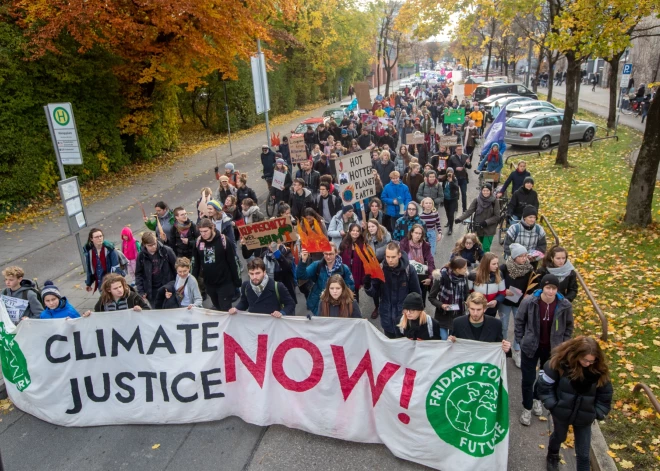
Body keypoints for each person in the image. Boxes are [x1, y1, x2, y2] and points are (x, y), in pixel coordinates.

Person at [537, 336, 613, 471]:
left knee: (583, 455)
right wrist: (554, 405)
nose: (588, 364)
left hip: (585, 417)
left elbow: (605, 396)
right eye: (585, 360)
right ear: (576, 355)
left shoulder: (599, 371)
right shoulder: (558, 364)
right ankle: (553, 454)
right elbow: (544, 387)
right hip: (561, 411)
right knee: (559, 436)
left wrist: (597, 413)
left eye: (591, 361)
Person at [515, 274, 574, 426]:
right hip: (531, 346)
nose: (551, 291)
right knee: (528, 379)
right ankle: (527, 407)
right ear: (542, 288)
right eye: (548, 288)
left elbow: (569, 326)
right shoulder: (530, 302)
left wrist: (563, 344)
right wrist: (520, 340)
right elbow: (520, 321)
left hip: (552, 349)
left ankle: (537, 399)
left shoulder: (564, 305)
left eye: (554, 288)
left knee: (545, 378)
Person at [364, 243, 422, 338]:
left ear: (399, 255)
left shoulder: (409, 270)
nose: (390, 260)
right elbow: (374, 293)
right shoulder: (380, 270)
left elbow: (416, 294)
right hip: (387, 318)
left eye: (393, 257)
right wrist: (367, 285)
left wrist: (414, 314)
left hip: (405, 319)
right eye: (388, 257)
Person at [192, 218, 242, 311]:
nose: (203, 234)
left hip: (225, 283)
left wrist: (237, 281)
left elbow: (233, 262)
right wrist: (192, 280)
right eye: (201, 231)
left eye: (205, 231)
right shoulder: (198, 242)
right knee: (217, 306)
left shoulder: (224, 241)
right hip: (209, 283)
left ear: (212, 228)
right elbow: (195, 263)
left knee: (225, 309)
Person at [500, 243, 536, 368]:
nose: (524, 258)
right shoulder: (504, 268)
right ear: (514, 257)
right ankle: (503, 347)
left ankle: (516, 350)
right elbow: (498, 282)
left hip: (520, 303)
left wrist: (528, 294)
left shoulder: (529, 269)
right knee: (504, 326)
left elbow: (533, 283)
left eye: (525, 256)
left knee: (519, 326)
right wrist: (503, 291)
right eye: (520, 256)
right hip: (505, 301)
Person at [296, 244, 355, 316]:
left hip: (337, 304)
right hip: (319, 303)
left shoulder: (344, 269)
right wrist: (303, 260)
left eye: (331, 254)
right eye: (326, 254)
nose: (328, 256)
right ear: (323, 253)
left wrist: (339, 295)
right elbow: (301, 275)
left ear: (336, 253)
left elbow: (350, 286)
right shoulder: (317, 265)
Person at [229, 258, 296, 317]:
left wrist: (282, 313)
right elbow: (244, 302)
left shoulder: (278, 286)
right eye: (251, 274)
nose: (254, 277)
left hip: (273, 325)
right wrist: (236, 309)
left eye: (257, 273)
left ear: (264, 272)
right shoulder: (246, 286)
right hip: (255, 325)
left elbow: (290, 304)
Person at [429, 257, 469, 340]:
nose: (466, 270)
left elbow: (466, 295)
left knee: (454, 341)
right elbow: (431, 297)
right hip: (443, 315)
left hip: (458, 315)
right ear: (457, 269)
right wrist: (442, 305)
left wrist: (468, 301)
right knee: (443, 339)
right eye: (464, 268)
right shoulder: (441, 277)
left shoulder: (464, 277)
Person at [135, 232, 177, 305]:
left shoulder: (166, 251)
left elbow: (176, 269)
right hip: (151, 291)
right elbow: (138, 274)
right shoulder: (141, 256)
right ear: (145, 245)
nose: (153, 247)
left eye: (155, 243)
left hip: (167, 287)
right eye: (150, 245)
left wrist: (175, 286)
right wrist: (141, 291)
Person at [455, 184, 500, 252]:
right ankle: (481, 261)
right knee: (479, 247)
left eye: (487, 190)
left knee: (486, 248)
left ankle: (485, 262)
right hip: (478, 228)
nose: (485, 192)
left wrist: (486, 222)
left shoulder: (494, 201)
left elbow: (497, 216)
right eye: (484, 190)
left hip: (489, 229)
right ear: (481, 191)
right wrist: (460, 218)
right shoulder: (477, 200)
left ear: (490, 191)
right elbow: (469, 211)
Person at [399, 223, 435, 304]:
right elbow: (401, 260)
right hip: (407, 275)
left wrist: (430, 277)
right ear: (411, 233)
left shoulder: (425, 245)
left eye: (420, 233)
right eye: (416, 233)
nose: (417, 235)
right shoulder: (404, 243)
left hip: (421, 276)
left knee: (420, 299)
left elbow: (430, 261)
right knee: (407, 299)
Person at [83, 228, 123, 293]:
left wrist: (116, 284)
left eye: (101, 236)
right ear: (91, 239)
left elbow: (116, 268)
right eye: (96, 237)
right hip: (100, 284)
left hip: (111, 283)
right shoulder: (90, 252)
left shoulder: (110, 251)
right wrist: (88, 283)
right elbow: (89, 269)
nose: (99, 238)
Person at [468, 252, 506, 317]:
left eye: (497, 263)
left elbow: (502, 292)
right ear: (486, 264)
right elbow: (468, 292)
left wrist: (496, 301)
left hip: (491, 310)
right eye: (494, 264)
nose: (497, 266)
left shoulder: (499, 274)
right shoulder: (473, 275)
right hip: (476, 309)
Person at [339, 223, 368, 302]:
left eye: (357, 231)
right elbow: (339, 259)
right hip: (345, 273)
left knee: (355, 295)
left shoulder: (363, 245)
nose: (355, 233)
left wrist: (362, 280)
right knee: (344, 295)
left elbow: (364, 264)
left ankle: (355, 311)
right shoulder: (344, 243)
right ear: (349, 231)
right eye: (353, 230)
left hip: (357, 273)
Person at [447, 144, 471, 212]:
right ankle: (455, 207)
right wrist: (456, 168)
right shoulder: (452, 157)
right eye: (458, 149)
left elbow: (469, 167)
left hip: (463, 178)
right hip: (456, 178)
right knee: (456, 193)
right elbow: (449, 168)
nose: (460, 151)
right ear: (455, 150)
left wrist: (468, 163)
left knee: (464, 193)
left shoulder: (465, 156)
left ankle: (464, 208)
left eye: (461, 149)